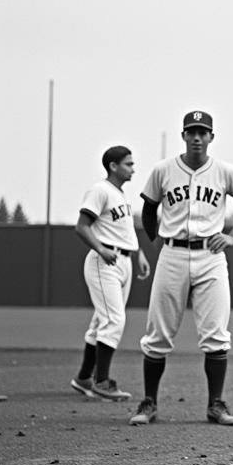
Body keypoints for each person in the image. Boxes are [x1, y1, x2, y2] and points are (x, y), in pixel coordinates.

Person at [130, 110, 233, 426]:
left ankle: (216, 404)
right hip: (173, 254)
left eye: (203, 132)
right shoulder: (163, 170)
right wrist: (156, 239)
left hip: (211, 256)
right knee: (158, 333)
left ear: (211, 137)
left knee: (216, 333)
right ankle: (149, 403)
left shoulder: (225, 172)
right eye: (192, 132)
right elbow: (148, 208)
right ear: (183, 135)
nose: (197, 137)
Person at [70, 146, 150, 401]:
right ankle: (102, 382)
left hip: (122, 259)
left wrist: (139, 254)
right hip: (104, 262)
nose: (133, 168)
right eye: (128, 164)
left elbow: (125, 230)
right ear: (113, 166)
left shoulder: (120, 194)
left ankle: (84, 378)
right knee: (114, 321)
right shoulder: (100, 190)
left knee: (101, 323)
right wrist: (101, 249)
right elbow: (82, 227)